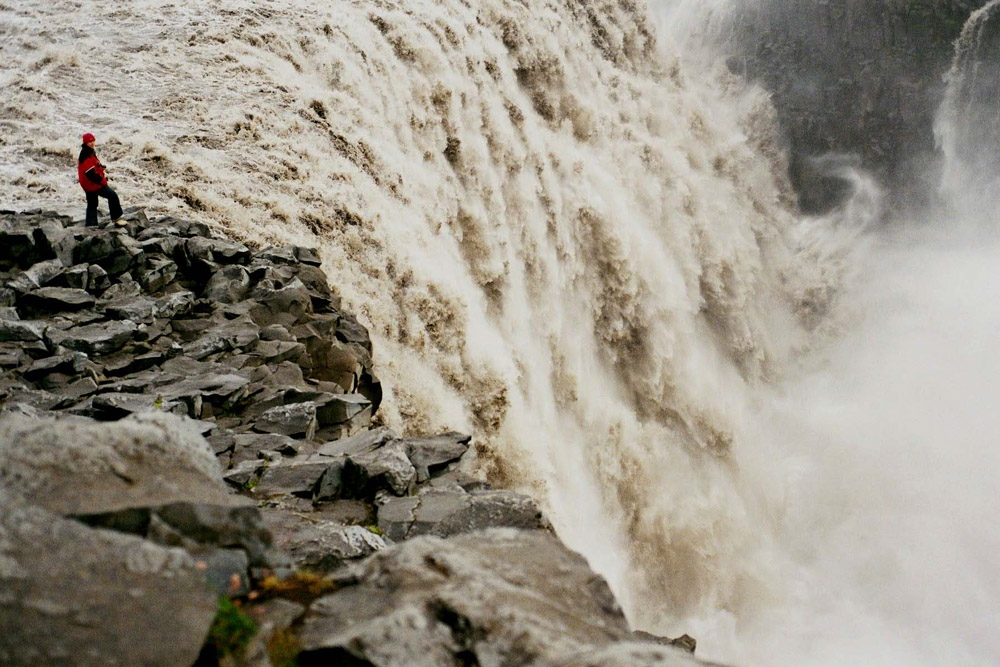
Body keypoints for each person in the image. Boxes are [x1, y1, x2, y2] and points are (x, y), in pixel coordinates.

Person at [78, 132, 123, 226]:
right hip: (91, 184)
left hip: (86, 183)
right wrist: (103, 182)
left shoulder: (87, 151)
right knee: (112, 195)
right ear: (85, 143)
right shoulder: (86, 155)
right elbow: (91, 174)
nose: (92, 143)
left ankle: (91, 225)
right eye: (89, 142)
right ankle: (117, 218)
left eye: (92, 141)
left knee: (92, 203)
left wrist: (100, 166)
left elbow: (91, 165)